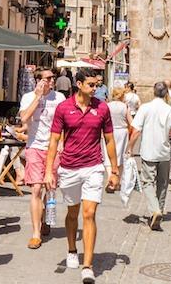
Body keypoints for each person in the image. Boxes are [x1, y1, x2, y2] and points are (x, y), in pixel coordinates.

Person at [45, 67, 119, 284]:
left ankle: (88, 266)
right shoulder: (63, 108)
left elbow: (110, 140)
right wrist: (49, 170)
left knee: (89, 213)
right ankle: (71, 248)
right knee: (72, 213)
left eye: (97, 85)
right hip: (69, 167)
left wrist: (114, 171)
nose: (95, 89)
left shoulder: (102, 108)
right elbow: (54, 141)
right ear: (78, 84)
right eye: (91, 85)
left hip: (93, 167)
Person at [128, 81, 171, 229]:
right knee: (163, 184)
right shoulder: (170, 110)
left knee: (148, 183)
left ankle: (155, 210)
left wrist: (129, 147)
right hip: (164, 153)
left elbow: (136, 131)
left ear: (153, 92)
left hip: (148, 152)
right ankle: (158, 211)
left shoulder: (145, 108)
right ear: (166, 93)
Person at [19, 67, 64, 249]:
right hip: (35, 146)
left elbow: (65, 123)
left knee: (49, 187)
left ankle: (44, 218)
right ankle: (36, 233)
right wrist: (38, 97)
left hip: (53, 148)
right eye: (47, 78)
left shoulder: (59, 98)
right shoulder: (28, 97)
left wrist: (62, 142)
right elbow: (24, 119)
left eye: (52, 78)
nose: (52, 81)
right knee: (36, 189)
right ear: (38, 80)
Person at [106, 86, 132, 187]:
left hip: (109, 131)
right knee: (120, 155)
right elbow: (131, 122)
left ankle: (109, 177)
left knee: (109, 155)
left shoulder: (108, 106)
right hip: (122, 132)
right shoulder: (125, 106)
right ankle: (118, 180)